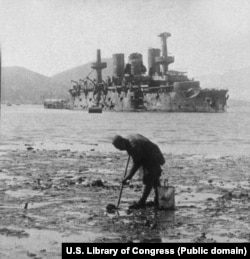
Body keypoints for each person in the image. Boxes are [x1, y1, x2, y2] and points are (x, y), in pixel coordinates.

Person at [112, 134, 165, 209]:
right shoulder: (128, 139)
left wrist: (128, 177)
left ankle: (142, 202)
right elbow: (136, 157)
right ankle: (158, 200)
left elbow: (136, 164)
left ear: (122, 142)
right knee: (154, 179)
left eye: (119, 147)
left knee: (148, 179)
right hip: (148, 154)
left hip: (152, 156)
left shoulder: (134, 146)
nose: (119, 149)